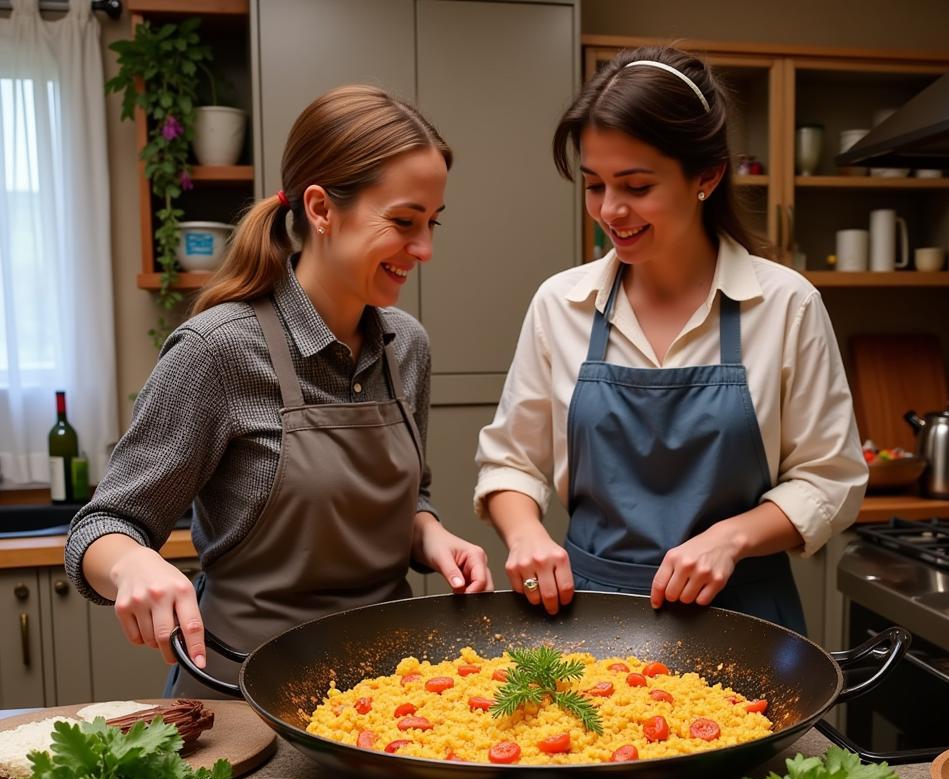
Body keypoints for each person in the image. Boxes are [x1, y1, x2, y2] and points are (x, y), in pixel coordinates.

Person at [66, 85, 492, 696]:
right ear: (321, 208)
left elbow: (409, 497)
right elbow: (100, 527)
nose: (424, 249)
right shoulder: (218, 350)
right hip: (245, 700)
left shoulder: (407, 346)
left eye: (432, 224)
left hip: (386, 700)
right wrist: (134, 562)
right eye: (403, 222)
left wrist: (431, 534)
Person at [474, 47, 866, 631]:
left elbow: (829, 477)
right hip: (588, 618)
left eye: (635, 185)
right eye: (594, 185)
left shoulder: (785, 305)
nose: (610, 210)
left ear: (707, 175)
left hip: (744, 620)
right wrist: (526, 531)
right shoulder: (560, 304)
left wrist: (731, 538)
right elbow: (511, 462)